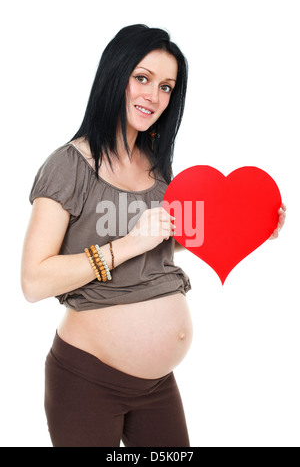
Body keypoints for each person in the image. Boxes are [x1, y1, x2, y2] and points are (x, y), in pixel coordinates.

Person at [21, 24, 286, 448]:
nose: (153, 96)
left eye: (166, 86)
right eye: (142, 78)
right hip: (88, 380)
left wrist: (252, 227)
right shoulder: (69, 164)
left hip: (158, 385)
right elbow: (34, 281)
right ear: (116, 75)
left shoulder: (159, 168)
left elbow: (174, 238)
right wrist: (128, 245)